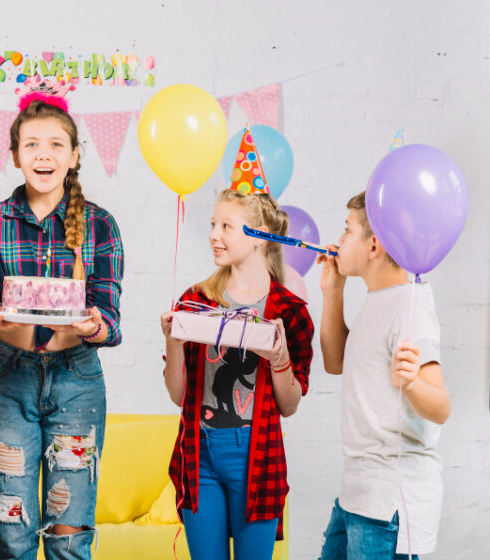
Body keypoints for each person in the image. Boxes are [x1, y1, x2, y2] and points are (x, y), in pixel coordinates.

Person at [0, 86, 124, 560]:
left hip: (77, 382)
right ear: (14, 155)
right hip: (8, 380)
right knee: (12, 536)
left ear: (74, 155)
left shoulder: (100, 226)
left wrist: (90, 325)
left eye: (56, 144)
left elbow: (111, 323)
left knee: (69, 538)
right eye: (31, 144)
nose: (43, 155)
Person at [162, 188, 314, 560]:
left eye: (227, 226)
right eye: (214, 224)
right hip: (200, 454)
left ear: (261, 236)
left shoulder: (289, 312)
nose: (214, 234)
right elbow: (179, 396)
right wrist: (174, 342)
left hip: (256, 456)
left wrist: (278, 358)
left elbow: (290, 405)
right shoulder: (195, 301)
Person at [317, 192, 450, 560]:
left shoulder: (411, 307)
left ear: (372, 245)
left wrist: (411, 383)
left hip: (389, 504)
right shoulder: (379, 298)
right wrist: (333, 294)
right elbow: (334, 361)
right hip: (358, 494)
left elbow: (440, 407)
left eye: (347, 231)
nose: (339, 240)